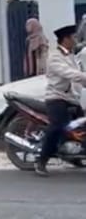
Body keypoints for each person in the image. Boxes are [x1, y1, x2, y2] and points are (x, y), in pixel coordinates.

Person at [35, 23, 86, 177]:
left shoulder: (70, 55)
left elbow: (78, 75)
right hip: (56, 98)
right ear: (65, 39)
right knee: (57, 127)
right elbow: (69, 73)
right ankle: (42, 161)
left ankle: (74, 156)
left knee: (79, 129)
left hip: (72, 98)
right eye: (73, 37)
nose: (76, 40)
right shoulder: (54, 57)